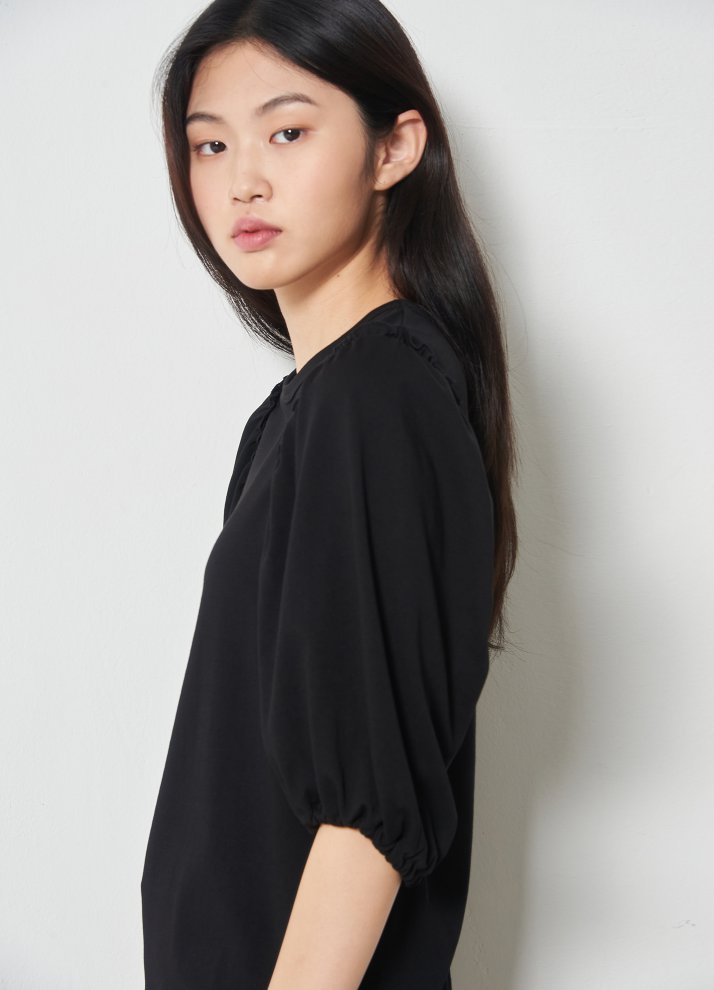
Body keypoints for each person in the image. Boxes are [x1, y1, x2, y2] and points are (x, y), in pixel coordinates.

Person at [140, 0, 518, 987]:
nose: (243, 180)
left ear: (395, 148)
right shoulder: (304, 413)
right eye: (210, 144)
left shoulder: (372, 397)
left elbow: (370, 817)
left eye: (288, 132)